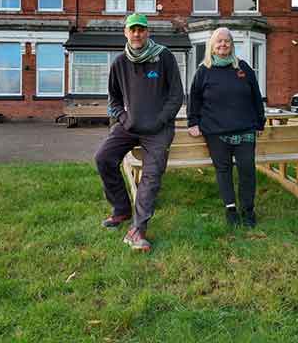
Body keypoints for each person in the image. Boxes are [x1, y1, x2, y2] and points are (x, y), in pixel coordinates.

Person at [95, 13, 184, 252]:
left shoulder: (164, 57)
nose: (137, 34)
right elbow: (113, 99)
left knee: (151, 175)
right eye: (132, 30)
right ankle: (121, 209)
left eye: (141, 30)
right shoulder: (119, 62)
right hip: (129, 126)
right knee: (103, 158)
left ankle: (138, 229)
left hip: (158, 130)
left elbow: (177, 96)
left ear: (148, 32)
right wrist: (123, 118)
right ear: (126, 32)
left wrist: (161, 120)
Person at [187, 27, 265, 227]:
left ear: (232, 44)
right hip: (215, 131)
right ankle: (231, 209)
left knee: (247, 170)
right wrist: (193, 122)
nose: (223, 44)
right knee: (224, 170)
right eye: (219, 41)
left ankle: (248, 210)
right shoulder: (203, 70)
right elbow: (193, 98)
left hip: (245, 129)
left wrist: (260, 121)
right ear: (212, 45)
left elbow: (256, 96)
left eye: (227, 41)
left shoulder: (243, 68)